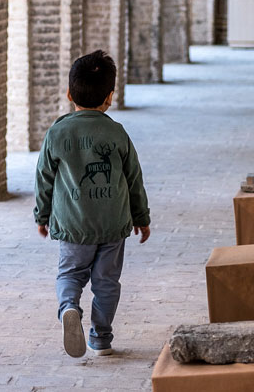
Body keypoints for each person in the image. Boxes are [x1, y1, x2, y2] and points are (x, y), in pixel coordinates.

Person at [33, 50, 151, 358]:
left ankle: (69, 307)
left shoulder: (57, 132)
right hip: (113, 223)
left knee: (70, 275)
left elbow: (44, 178)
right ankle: (101, 338)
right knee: (107, 282)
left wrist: (41, 216)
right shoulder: (117, 132)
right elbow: (133, 178)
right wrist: (142, 217)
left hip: (73, 225)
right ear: (110, 97)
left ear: (69, 93)